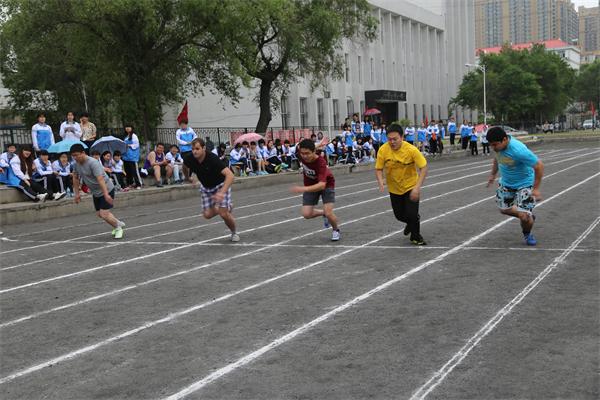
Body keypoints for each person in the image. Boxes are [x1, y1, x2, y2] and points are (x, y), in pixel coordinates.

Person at [485, 126, 544, 246]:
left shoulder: (518, 150)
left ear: (505, 139)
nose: (493, 148)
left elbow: (539, 165)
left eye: (495, 145)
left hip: (525, 183)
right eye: (491, 145)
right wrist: (492, 174)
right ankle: (527, 214)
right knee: (504, 209)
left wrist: (536, 188)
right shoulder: (498, 149)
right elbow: (497, 159)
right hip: (507, 183)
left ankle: (527, 233)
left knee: (525, 218)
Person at [375, 124, 428, 245]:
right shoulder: (383, 149)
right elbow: (378, 168)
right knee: (399, 215)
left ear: (402, 137)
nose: (392, 142)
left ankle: (416, 237)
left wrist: (417, 187)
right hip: (394, 188)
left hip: (410, 186)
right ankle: (411, 222)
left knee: (412, 214)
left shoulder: (411, 150)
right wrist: (380, 180)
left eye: (395, 139)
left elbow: (424, 168)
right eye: (389, 139)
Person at [183, 138, 239, 242]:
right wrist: (188, 178)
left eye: (197, 149)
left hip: (220, 185)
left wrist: (221, 193)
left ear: (203, 148)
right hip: (206, 187)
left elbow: (230, 176)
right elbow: (185, 167)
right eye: (193, 149)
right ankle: (228, 206)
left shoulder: (212, 159)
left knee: (224, 214)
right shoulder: (189, 158)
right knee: (207, 215)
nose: (194, 151)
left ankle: (234, 232)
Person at [71, 143, 125, 239]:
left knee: (104, 214)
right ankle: (117, 222)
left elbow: (100, 179)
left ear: (83, 153)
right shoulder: (76, 164)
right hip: (95, 192)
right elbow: (75, 178)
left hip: (106, 188)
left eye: (77, 155)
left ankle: (118, 227)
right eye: (73, 156)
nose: (75, 157)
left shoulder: (93, 163)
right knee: (100, 214)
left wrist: (106, 194)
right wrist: (77, 194)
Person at [290, 139, 340, 241]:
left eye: (307, 153)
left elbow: (322, 185)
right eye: (302, 153)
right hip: (311, 184)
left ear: (314, 152)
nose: (304, 156)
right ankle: (323, 213)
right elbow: (303, 149)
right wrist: (318, 144)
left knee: (329, 212)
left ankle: (335, 230)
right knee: (306, 214)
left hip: (327, 184)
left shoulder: (321, 162)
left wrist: (302, 189)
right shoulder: (302, 154)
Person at [122, 124, 142, 189]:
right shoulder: (125, 136)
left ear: (132, 128)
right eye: (126, 127)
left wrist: (129, 145)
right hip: (126, 156)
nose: (127, 128)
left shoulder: (134, 136)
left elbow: (136, 145)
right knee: (128, 171)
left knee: (134, 171)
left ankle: (138, 184)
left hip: (132, 157)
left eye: (129, 127)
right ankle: (130, 183)